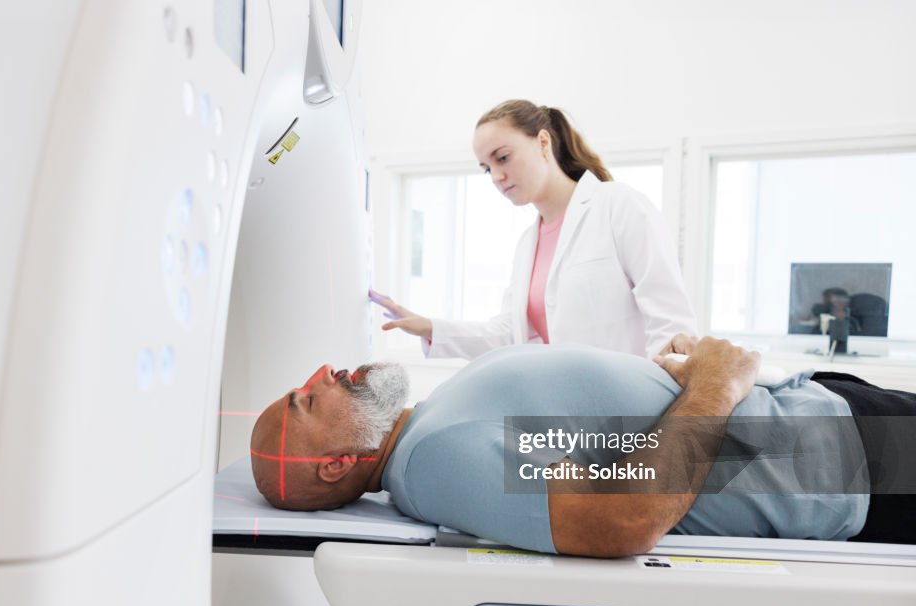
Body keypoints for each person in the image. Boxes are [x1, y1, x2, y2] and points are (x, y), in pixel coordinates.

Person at [249, 336, 916, 557]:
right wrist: (714, 380)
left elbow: (609, 446)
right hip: (843, 458)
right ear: (335, 461)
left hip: (829, 416)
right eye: (308, 400)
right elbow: (624, 516)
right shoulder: (434, 459)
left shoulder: (433, 423)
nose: (323, 377)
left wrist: (680, 381)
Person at [369, 99, 697, 360]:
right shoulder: (529, 243)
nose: (496, 176)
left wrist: (661, 422)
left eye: (503, 158)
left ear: (542, 142)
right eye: (487, 168)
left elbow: (671, 327)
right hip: (563, 416)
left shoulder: (619, 206)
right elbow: (510, 334)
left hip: (633, 414)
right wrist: (429, 327)